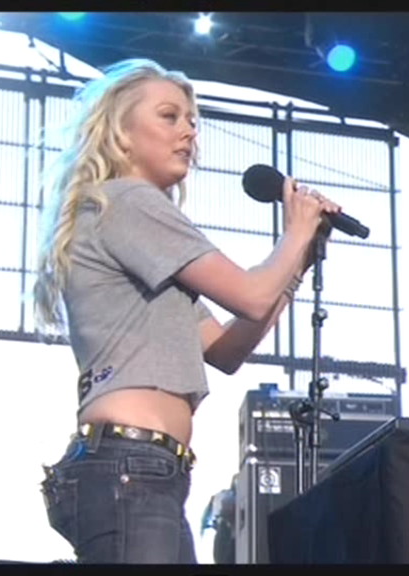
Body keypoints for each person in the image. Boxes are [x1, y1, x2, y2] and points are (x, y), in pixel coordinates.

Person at [34, 57, 340, 564]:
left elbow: (226, 350)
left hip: (148, 469)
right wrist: (295, 231)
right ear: (121, 133)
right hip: (130, 466)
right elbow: (249, 295)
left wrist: (297, 263)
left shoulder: (138, 233)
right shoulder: (128, 201)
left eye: (192, 121)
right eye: (169, 116)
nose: (189, 132)